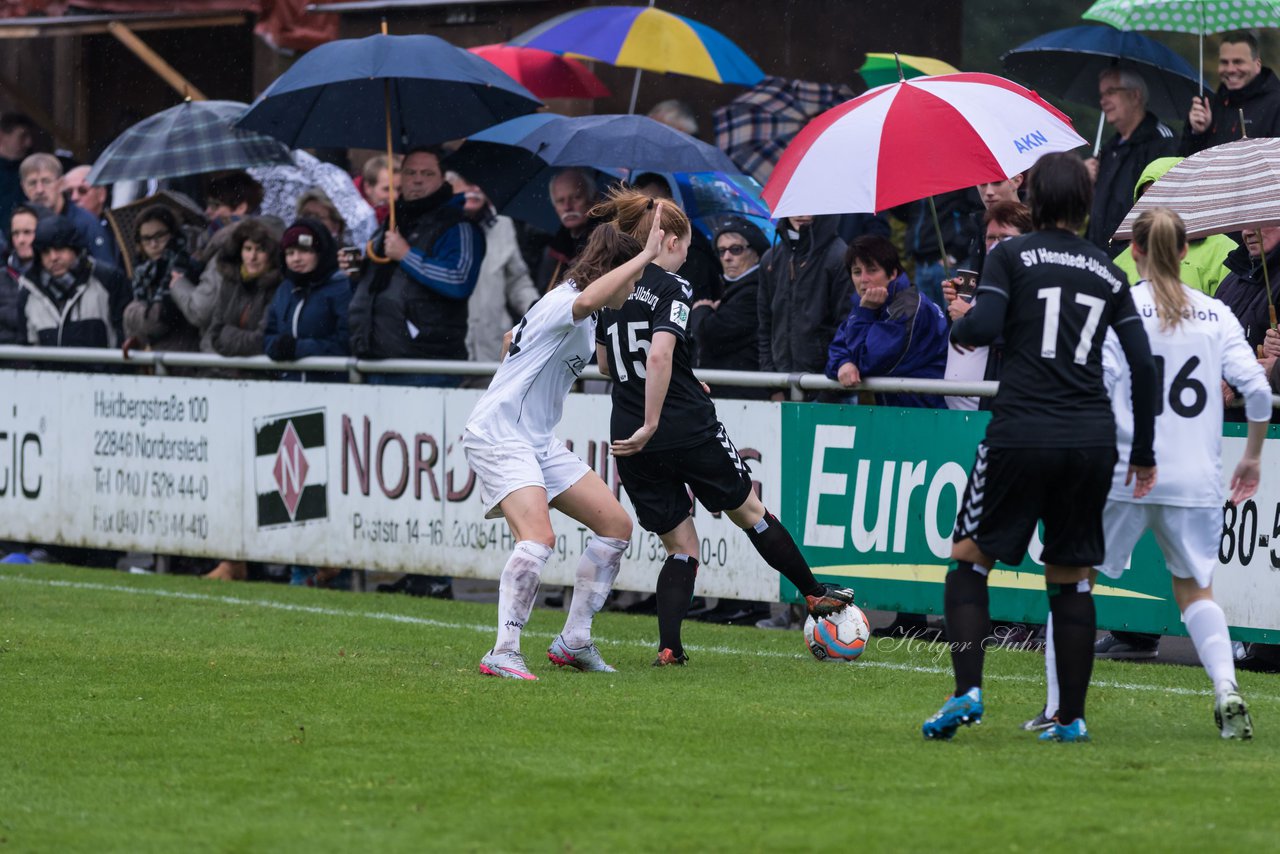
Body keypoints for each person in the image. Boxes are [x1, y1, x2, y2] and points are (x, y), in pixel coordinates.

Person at [921, 152, 1158, 744]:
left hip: (1022, 430)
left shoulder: (1011, 255)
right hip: (1089, 439)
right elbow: (1143, 366)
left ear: (1037, 202)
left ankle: (967, 690)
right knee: (1072, 576)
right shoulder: (1108, 272)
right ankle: (1072, 717)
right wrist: (1145, 451)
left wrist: (960, 321)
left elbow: (982, 328)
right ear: (1083, 205)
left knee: (970, 558)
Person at [1029, 208, 1264, 740]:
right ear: (1185, 253)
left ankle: (1058, 708)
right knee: (1196, 592)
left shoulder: (1120, 310)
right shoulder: (1216, 313)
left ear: (1134, 251)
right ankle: (1226, 688)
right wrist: (1251, 456)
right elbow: (1255, 390)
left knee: (1073, 581)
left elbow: (1093, 387)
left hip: (1127, 470)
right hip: (1197, 477)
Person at [595, 189, 855, 665]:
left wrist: (661, 397)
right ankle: (814, 593)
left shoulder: (609, 287)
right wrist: (658, 416)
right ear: (667, 239)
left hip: (628, 432)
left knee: (681, 544)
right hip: (683, 426)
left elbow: (609, 365)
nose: (689, 255)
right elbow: (658, 353)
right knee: (749, 511)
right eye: (688, 245)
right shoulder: (673, 287)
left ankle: (670, 647)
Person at [461, 204, 664, 680]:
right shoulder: (569, 300)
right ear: (613, 272)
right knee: (539, 538)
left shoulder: (573, 310)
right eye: (631, 279)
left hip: (535, 439)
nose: (634, 289)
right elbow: (584, 302)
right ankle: (503, 651)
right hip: (500, 434)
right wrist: (648, 254)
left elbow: (520, 338)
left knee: (615, 525)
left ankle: (573, 640)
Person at [348, 146, 484, 387]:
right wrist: (357, 273)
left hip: (426, 365)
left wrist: (407, 255)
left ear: (443, 178)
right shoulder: (390, 224)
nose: (418, 179)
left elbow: (459, 280)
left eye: (427, 173)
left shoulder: (459, 227)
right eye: (410, 173)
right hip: (374, 358)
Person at [825, 235, 948, 409]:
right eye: (857, 272)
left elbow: (868, 362)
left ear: (893, 273)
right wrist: (843, 363)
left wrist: (865, 313)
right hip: (898, 412)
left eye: (872, 270)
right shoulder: (868, 304)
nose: (864, 279)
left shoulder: (908, 308)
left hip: (930, 414)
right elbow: (836, 348)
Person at [446, 170, 539, 365]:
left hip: (493, 351)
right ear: (450, 184)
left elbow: (517, 281)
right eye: (468, 181)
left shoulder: (503, 224)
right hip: (447, 351)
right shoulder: (439, 226)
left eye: (481, 182)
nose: (475, 189)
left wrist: (539, 311)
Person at [1111, 157, 1235, 298]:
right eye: (1145, 200)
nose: (1152, 208)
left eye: (1160, 197)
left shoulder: (1224, 253)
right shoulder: (1122, 260)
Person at [757, 214, 851, 399]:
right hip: (782, 385)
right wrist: (772, 384)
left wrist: (829, 388)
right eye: (796, 207)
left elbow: (846, 326)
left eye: (810, 207)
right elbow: (764, 326)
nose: (801, 214)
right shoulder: (771, 259)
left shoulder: (839, 256)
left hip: (830, 384)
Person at [1085, 68, 1177, 255]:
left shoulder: (1162, 141)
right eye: (1101, 94)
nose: (1103, 101)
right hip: (1100, 255)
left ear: (1135, 95)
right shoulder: (1110, 148)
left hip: (1135, 254)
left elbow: (1162, 203)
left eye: (1110, 92)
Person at [17, 214, 127, 350]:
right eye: (45, 252)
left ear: (75, 248)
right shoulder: (29, 292)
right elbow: (28, 351)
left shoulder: (108, 280)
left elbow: (123, 338)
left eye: (59, 248)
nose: (53, 257)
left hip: (104, 371)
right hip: (48, 372)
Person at [690, 217, 771, 401]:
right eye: (721, 251)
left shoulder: (754, 292)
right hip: (726, 394)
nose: (727, 257)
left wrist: (700, 310)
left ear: (756, 253)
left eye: (736, 249)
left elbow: (707, 333)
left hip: (743, 396)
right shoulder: (731, 288)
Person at [263, 219, 350, 383]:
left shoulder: (340, 288)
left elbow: (345, 343)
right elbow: (269, 335)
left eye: (304, 251)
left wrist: (299, 348)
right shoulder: (284, 289)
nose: (296, 259)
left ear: (319, 253)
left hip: (331, 390)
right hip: (290, 389)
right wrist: (277, 347)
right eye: (290, 253)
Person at [121, 205, 204, 355]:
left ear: (172, 235)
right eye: (146, 239)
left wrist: (130, 314)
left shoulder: (186, 267)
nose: (154, 244)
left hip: (183, 358)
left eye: (159, 236)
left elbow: (158, 321)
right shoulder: (141, 274)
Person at [1182, 30, 1280, 156]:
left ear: (1257, 64)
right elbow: (1187, 162)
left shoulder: (1275, 104)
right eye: (1224, 62)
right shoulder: (1210, 105)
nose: (1230, 69)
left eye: (1238, 62)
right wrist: (1196, 133)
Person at [19, 153, 115, 267]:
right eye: (32, 183)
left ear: (61, 184)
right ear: (23, 188)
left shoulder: (85, 223)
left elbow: (107, 271)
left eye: (46, 181)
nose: (39, 190)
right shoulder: (21, 223)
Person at [536, 167, 598, 292]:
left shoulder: (607, 243)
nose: (567, 207)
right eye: (560, 201)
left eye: (575, 197)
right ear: (555, 207)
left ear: (593, 200)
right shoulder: (555, 249)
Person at [2, 204, 40, 344]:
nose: (21, 240)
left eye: (27, 232)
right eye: (15, 234)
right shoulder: (2, 277)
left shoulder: (51, 276)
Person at [0, 113, 35, 238]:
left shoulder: (32, 170)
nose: (28, 143)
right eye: (22, 136)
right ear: (2, 136)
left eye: (30, 136)